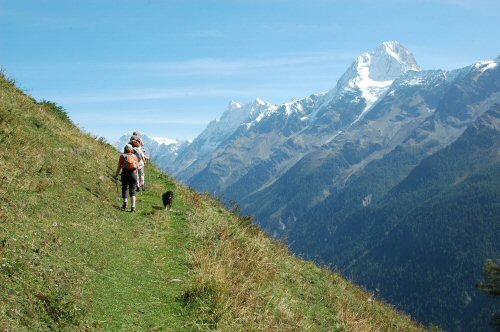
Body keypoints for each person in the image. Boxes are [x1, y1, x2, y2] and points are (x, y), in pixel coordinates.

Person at [115, 144, 139, 212]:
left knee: (125, 188)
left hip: (125, 174)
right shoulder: (135, 156)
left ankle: (125, 203)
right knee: (133, 191)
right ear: (131, 149)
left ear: (125, 149)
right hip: (133, 175)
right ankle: (133, 207)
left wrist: (116, 174)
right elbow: (137, 167)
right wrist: (137, 178)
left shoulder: (122, 156)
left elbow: (119, 166)